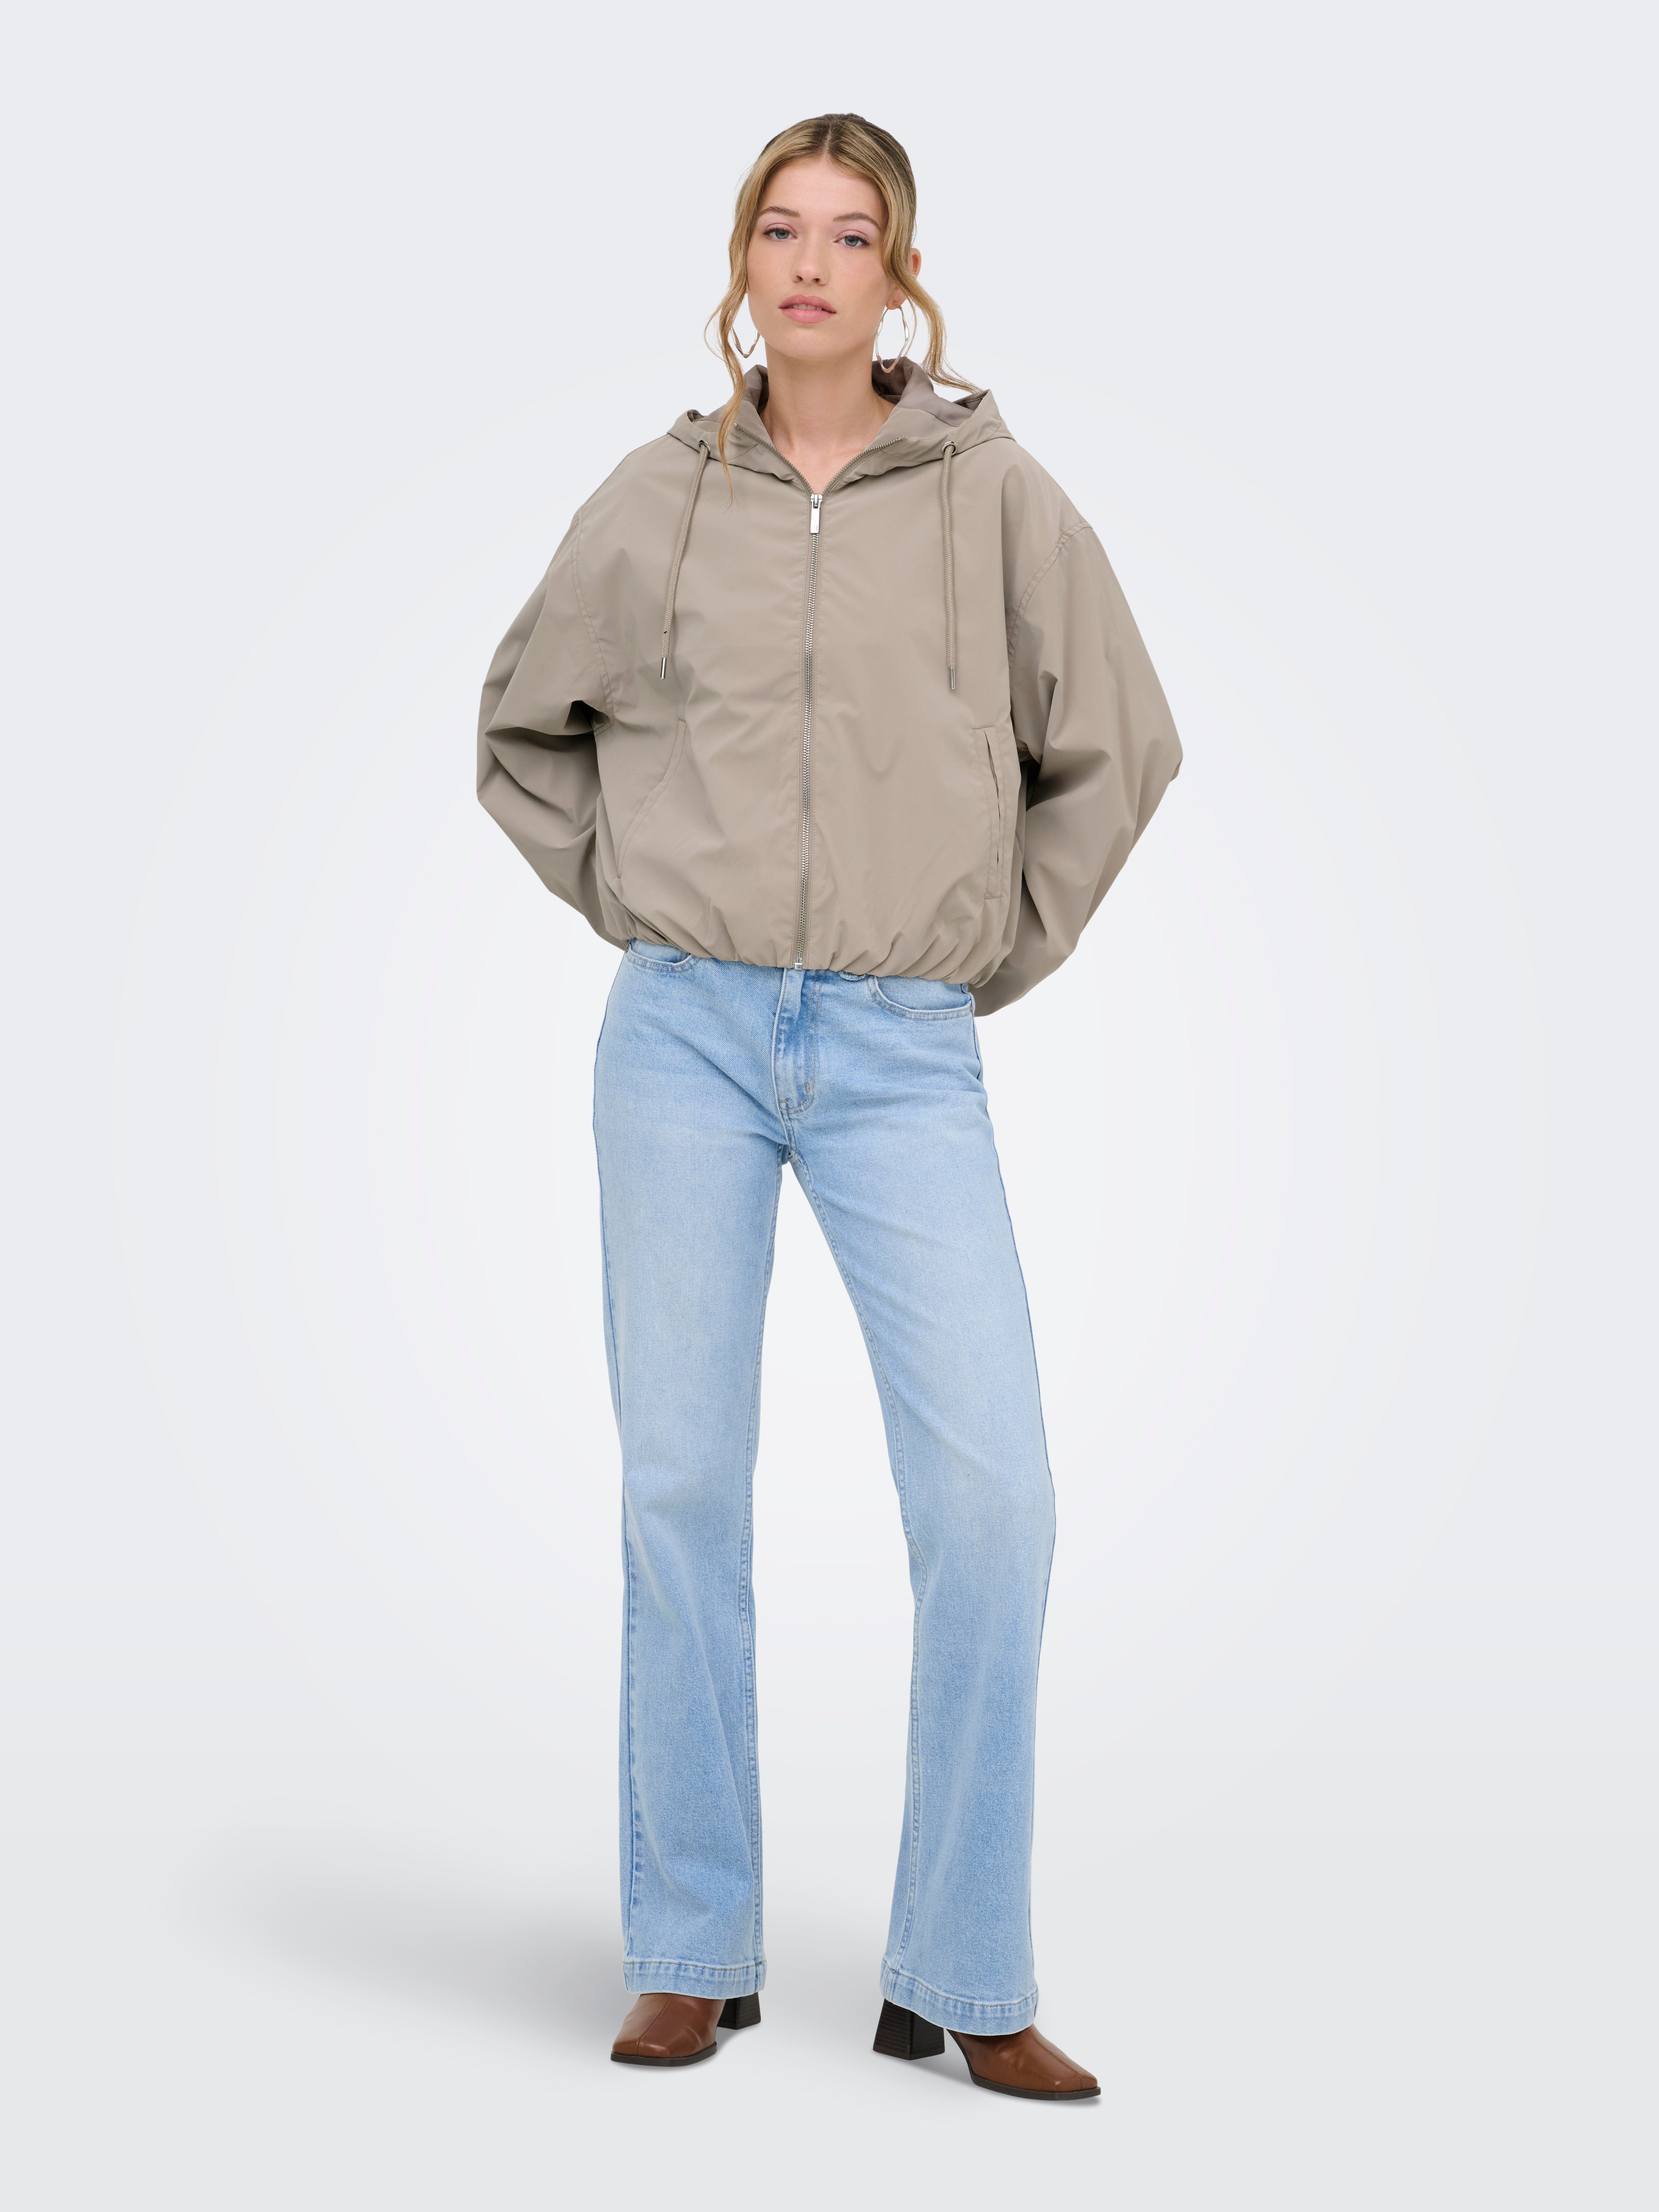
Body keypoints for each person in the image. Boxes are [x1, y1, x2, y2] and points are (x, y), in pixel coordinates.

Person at [475, 112, 1182, 2100]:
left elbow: (1122, 745)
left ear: (900, 274)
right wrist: (641, 897)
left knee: (994, 1499)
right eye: (779, 229)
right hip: (683, 1039)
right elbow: (524, 727)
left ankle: (965, 1969)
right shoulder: (662, 495)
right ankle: (690, 1948)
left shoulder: (992, 495)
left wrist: (982, 949)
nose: (810, 263)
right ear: (742, 264)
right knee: (682, 1491)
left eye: (849, 235)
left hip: (898, 1053)